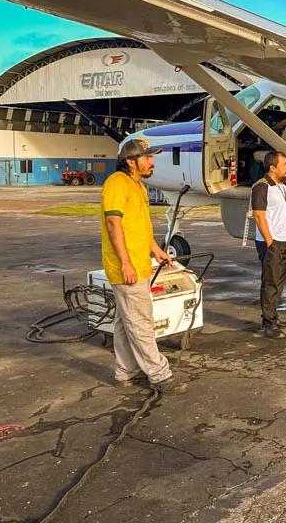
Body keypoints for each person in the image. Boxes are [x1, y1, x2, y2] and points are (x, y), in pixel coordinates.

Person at [101, 139, 187, 395]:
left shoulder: (136, 185)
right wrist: (126, 264)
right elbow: (114, 225)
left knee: (124, 321)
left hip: (139, 264)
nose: (152, 162)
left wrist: (157, 251)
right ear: (131, 161)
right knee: (140, 323)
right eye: (147, 158)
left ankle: (125, 371)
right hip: (127, 269)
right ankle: (160, 375)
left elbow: (137, 227)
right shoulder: (117, 183)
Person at [251, 151, 286, 339]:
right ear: (272, 167)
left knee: (279, 281)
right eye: (284, 164)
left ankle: (274, 317)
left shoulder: (281, 186)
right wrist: (270, 241)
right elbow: (259, 216)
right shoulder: (261, 187)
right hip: (272, 243)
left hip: (285, 241)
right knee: (270, 282)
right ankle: (268, 324)